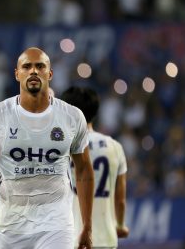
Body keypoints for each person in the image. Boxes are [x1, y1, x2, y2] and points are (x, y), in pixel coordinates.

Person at [0, 47, 95, 249]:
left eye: (40, 66)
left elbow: (84, 170)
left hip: (56, 223)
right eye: (27, 66)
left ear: (49, 73)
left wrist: (87, 225)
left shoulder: (72, 116)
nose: (33, 71)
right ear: (17, 74)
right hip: (12, 225)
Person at [61, 87, 129, 248]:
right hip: (106, 237)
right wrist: (120, 225)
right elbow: (120, 199)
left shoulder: (62, 146)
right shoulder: (114, 147)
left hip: (72, 238)